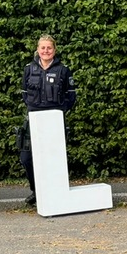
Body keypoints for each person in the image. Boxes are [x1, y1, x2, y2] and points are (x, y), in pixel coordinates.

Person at [18, 34, 77, 206]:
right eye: (42, 48)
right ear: (37, 50)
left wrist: (59, 112)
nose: (46, 51)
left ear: (54, 50)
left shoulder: (64, 70)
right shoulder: (29, 69)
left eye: (49, 48)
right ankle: (36, 191)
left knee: (55, 160)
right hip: (34, 120)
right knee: (26, 158)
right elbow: (24, 95)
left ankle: (55, 195)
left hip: (54, 121)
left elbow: (71, 97)